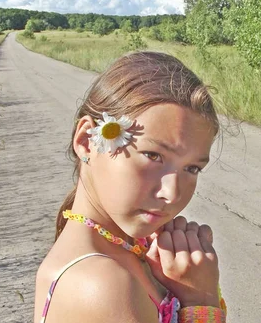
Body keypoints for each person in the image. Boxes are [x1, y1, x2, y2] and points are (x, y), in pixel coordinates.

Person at [33, 51, 227, 323]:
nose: (171, 193)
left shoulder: (133, 248)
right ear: (87, 141)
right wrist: (201, 302)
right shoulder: (102, 285)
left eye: (192, 168)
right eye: (153, 156)